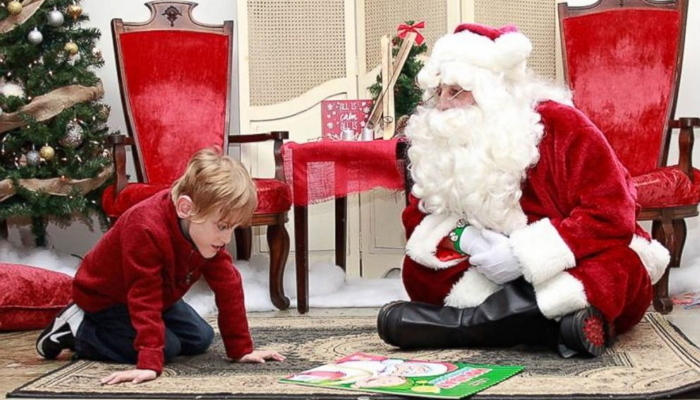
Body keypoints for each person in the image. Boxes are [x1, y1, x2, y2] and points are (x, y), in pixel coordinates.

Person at [377, 23, 670, 358]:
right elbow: (417, 219)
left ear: (494, 90)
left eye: (456, 91)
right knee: (419, 268)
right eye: (439, 92)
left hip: (565, 263)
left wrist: (524, 255)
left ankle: (464, 325)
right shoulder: (441, 140)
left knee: (622, 266)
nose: (442, 105)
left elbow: (612, 213)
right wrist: (467, 239)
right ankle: (553, 325)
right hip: (484, 267)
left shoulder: (563, 125)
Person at [36, 148, 285, 384]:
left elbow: (229, 284)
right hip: (108, 298)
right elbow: (144, 297)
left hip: (162, 293)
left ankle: (133, 336)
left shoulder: (202, 231)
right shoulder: (144, 227)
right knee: (166, 348)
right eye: (222, 226)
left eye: (232, 228)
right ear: (186, 208)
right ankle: (76, 329)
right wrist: (149, 363)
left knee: (201, 338)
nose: (227, 238)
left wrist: (241, 349)